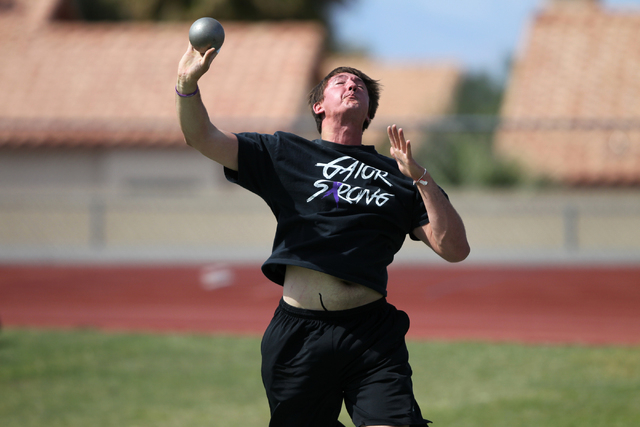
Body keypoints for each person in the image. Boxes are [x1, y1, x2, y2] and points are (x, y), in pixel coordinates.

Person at [176, 41, 469, 427]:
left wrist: (423, 179)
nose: (352, 86)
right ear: (319, 106)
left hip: (371, 335)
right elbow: (203, 138)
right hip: (298, 335)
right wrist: (186, 86)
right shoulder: (285, 153)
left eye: (360, 85)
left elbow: (454, 249)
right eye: (340, 82)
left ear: (369, 113)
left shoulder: (401, 176)